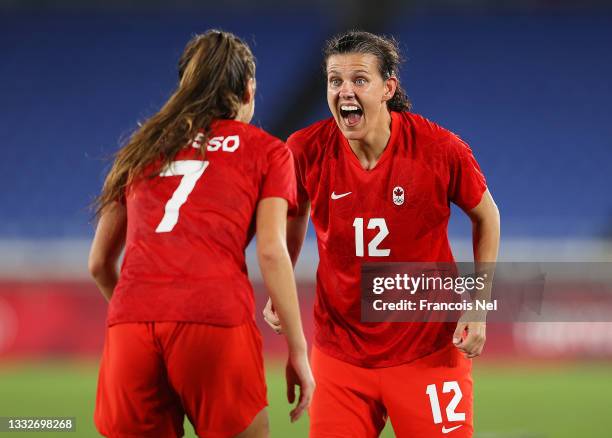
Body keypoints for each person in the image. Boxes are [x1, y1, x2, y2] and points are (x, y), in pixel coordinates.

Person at [263, 31, 500, 437]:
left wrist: (479, 307)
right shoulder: (305, 150)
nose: (344, 91)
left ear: (388, 87)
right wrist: (277, 284)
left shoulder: (438, 148)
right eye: (335, 81)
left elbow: (487, 216)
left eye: (359, 79)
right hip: (340, 357)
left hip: (428, 349)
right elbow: (294, 213)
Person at [89, 30, 314, 438]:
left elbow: (99, 264)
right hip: (214, 317)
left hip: (132, 322)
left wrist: (143, 313)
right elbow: (271, 251)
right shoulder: (266, 151)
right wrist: (298, 348)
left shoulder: (140, 148)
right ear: (248, 90)